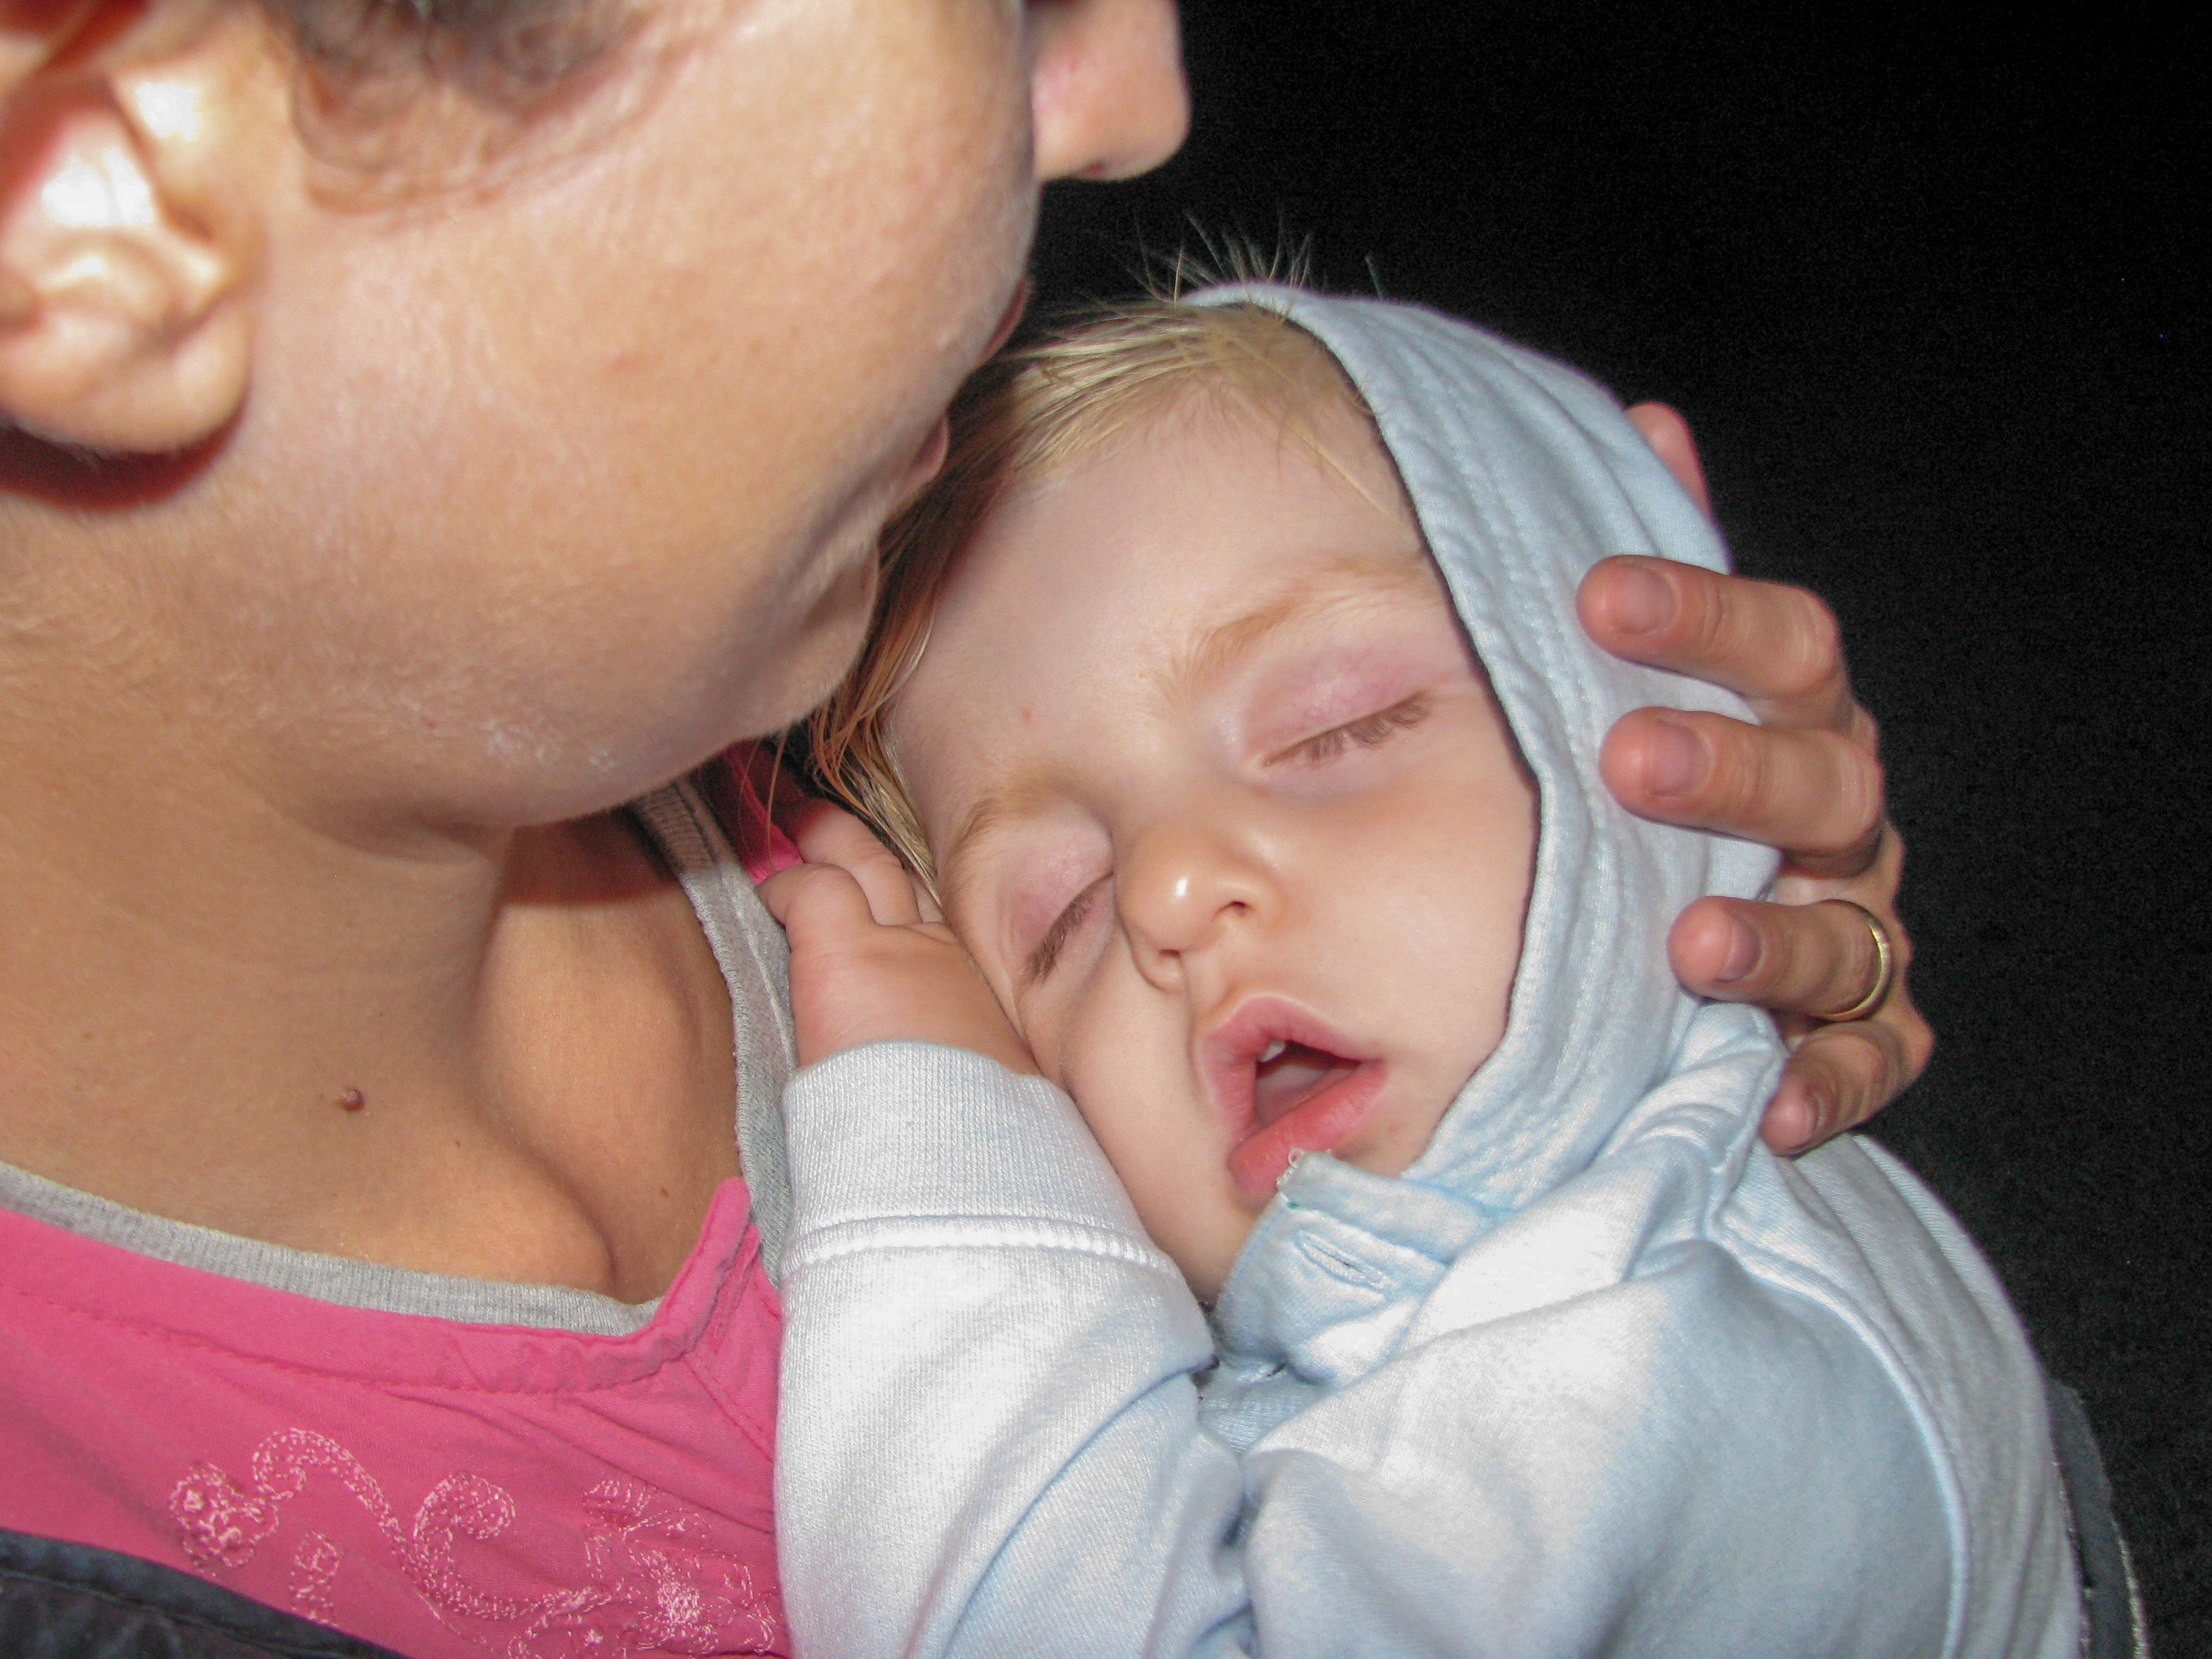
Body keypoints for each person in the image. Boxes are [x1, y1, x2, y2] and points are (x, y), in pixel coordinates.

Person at [0, 0, 1927, 1651]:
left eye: (1338, 726)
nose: (1136, 94)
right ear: (104, 194)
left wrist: (1646, 941)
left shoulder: (841, 647)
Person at [770, 291, 2081, 1657]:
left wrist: (949, 1156)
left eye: (1339, 727)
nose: (1168, 890)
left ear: (1655, 706)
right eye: (1062, 912)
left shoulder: (1642, 1380)